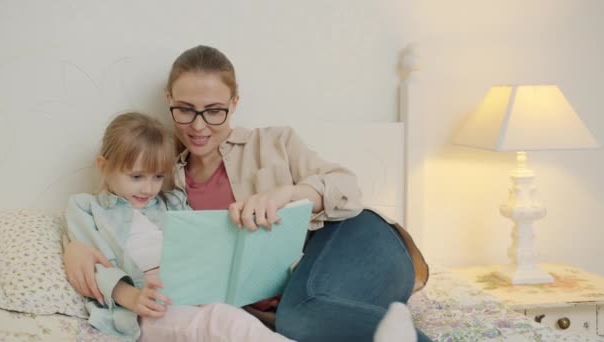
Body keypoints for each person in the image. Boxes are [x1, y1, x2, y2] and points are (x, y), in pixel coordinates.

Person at [64, 45, 431, 342]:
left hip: (356, 239)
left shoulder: (274, 143)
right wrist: (75, 248)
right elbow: (118, 220)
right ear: (169, 99)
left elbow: (347, 189)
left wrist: (287, 195)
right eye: (185, 110)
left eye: (214, 111)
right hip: (297, 300)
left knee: (301, 316)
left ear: (235, 103)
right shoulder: (162, 178)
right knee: (302, 319)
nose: (198, 126)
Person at [65, 112, 293, 341]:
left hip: (193, 291)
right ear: (103, 166)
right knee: (220, 322)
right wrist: (131, 296)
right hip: (145, 307)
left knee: (231, 318)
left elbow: (201, 244)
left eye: (157, 177)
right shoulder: (86, 208)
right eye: (136, 177)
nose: (148, 188)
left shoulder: (171, 202)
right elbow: (94, 268)